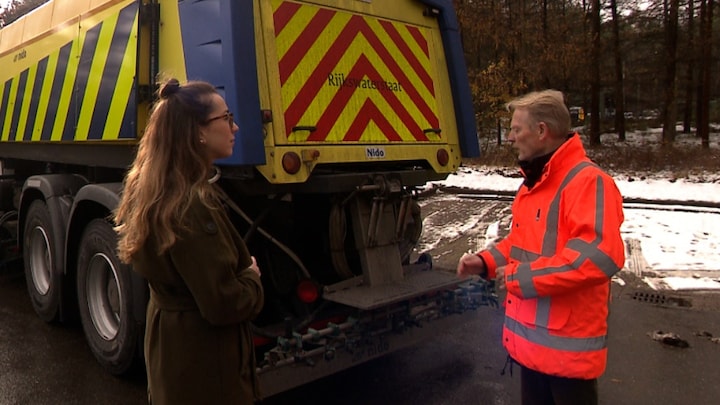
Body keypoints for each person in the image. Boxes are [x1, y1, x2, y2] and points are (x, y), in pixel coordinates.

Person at [457, 90, 625, 405]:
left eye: (516, 129)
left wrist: (518, 278)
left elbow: (596, 258)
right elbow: (519, 246)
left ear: (542, 131)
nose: (510, 137)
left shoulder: (588, 182)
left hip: (567, 356)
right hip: (532, 349)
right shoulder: (535, 183)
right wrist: (485, 262)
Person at [114, 78, 264, 404]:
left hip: (174, 357)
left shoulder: (157, 191)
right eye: (225, 119)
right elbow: (223, 303)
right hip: (206, 369)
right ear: (197, 131)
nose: (234, 127)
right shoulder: (191, 206)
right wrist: (251, 278)